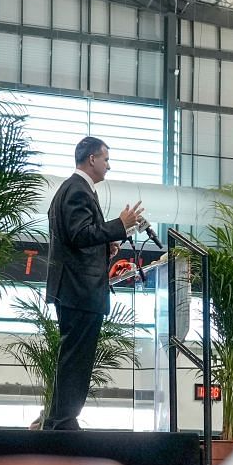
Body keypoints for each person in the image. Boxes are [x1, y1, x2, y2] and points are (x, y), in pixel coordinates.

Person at [43, 136, 145, 430]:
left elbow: (79, 237)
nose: (108, 166)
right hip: (79, 289)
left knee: (72, 356)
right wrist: (119, 225)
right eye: (106, 159)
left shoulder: (71, 189)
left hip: (72, 287)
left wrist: (105, 246)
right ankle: (64, 421)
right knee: (77, 358)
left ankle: (58, 419)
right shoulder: (77, 190)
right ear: (91, 159)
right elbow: (79, 234)